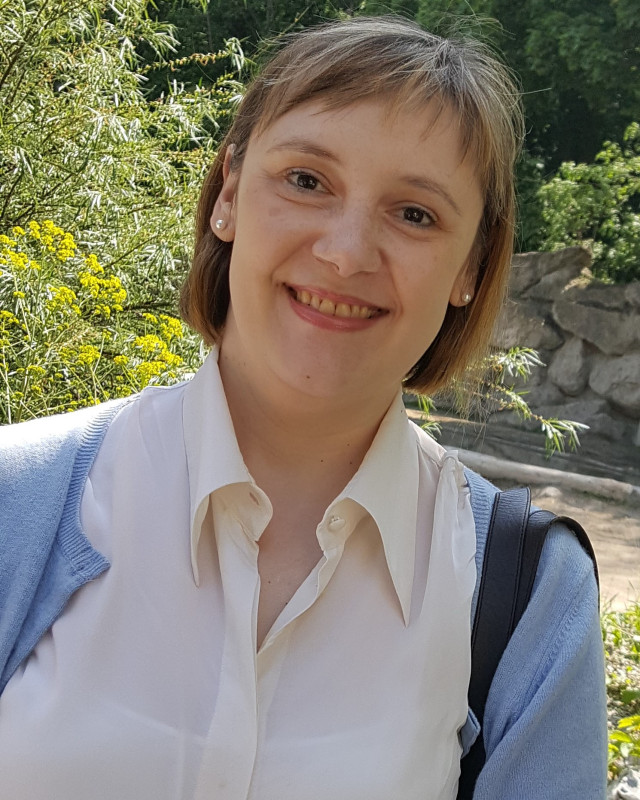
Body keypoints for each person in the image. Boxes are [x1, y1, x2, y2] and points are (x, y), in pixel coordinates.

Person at [0, 15, 606, 800]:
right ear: (228, 194)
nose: (345, 253)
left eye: (414, 214)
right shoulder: (19, 502)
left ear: (472, 267)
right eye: (307, 181)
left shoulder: (527, 596)